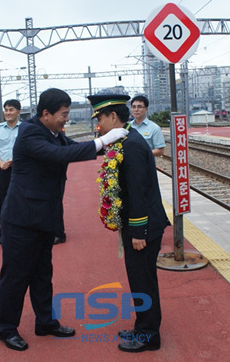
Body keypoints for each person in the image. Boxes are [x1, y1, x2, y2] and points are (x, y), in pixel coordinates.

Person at [0, 88, 129, 352]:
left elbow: (76, 150)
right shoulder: (30, 133)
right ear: (46, 114)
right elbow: (61, 156)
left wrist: (116, 145)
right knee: (16, 277)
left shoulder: (54, 133)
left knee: (43, 274)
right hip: (21, 220)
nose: (67, 119)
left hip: (44, 217)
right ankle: (5, 327)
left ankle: (45, 322)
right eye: (64, 114)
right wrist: (104, 139)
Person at [89, 94, 169, 353]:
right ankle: (143, 326)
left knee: (143, 280)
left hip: (142, 227)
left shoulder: (131, 144)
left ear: (113, 117)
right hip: (140, 224)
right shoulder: (126, 140)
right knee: (140, 279)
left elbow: (138, 192)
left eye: (100, 119)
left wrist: (137, 231)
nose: (98, 125)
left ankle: (148, 335)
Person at [0, 100, 21, 245]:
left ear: (18, 112)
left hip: (21, 170)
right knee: (4, 201)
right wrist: (1, 163)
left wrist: (15, 160)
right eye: (6, 110)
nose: (8, 113)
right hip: (3, 170)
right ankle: (4, 233)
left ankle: (22, 232)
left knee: (22, 201)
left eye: (11, 110)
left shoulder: (25, 128)